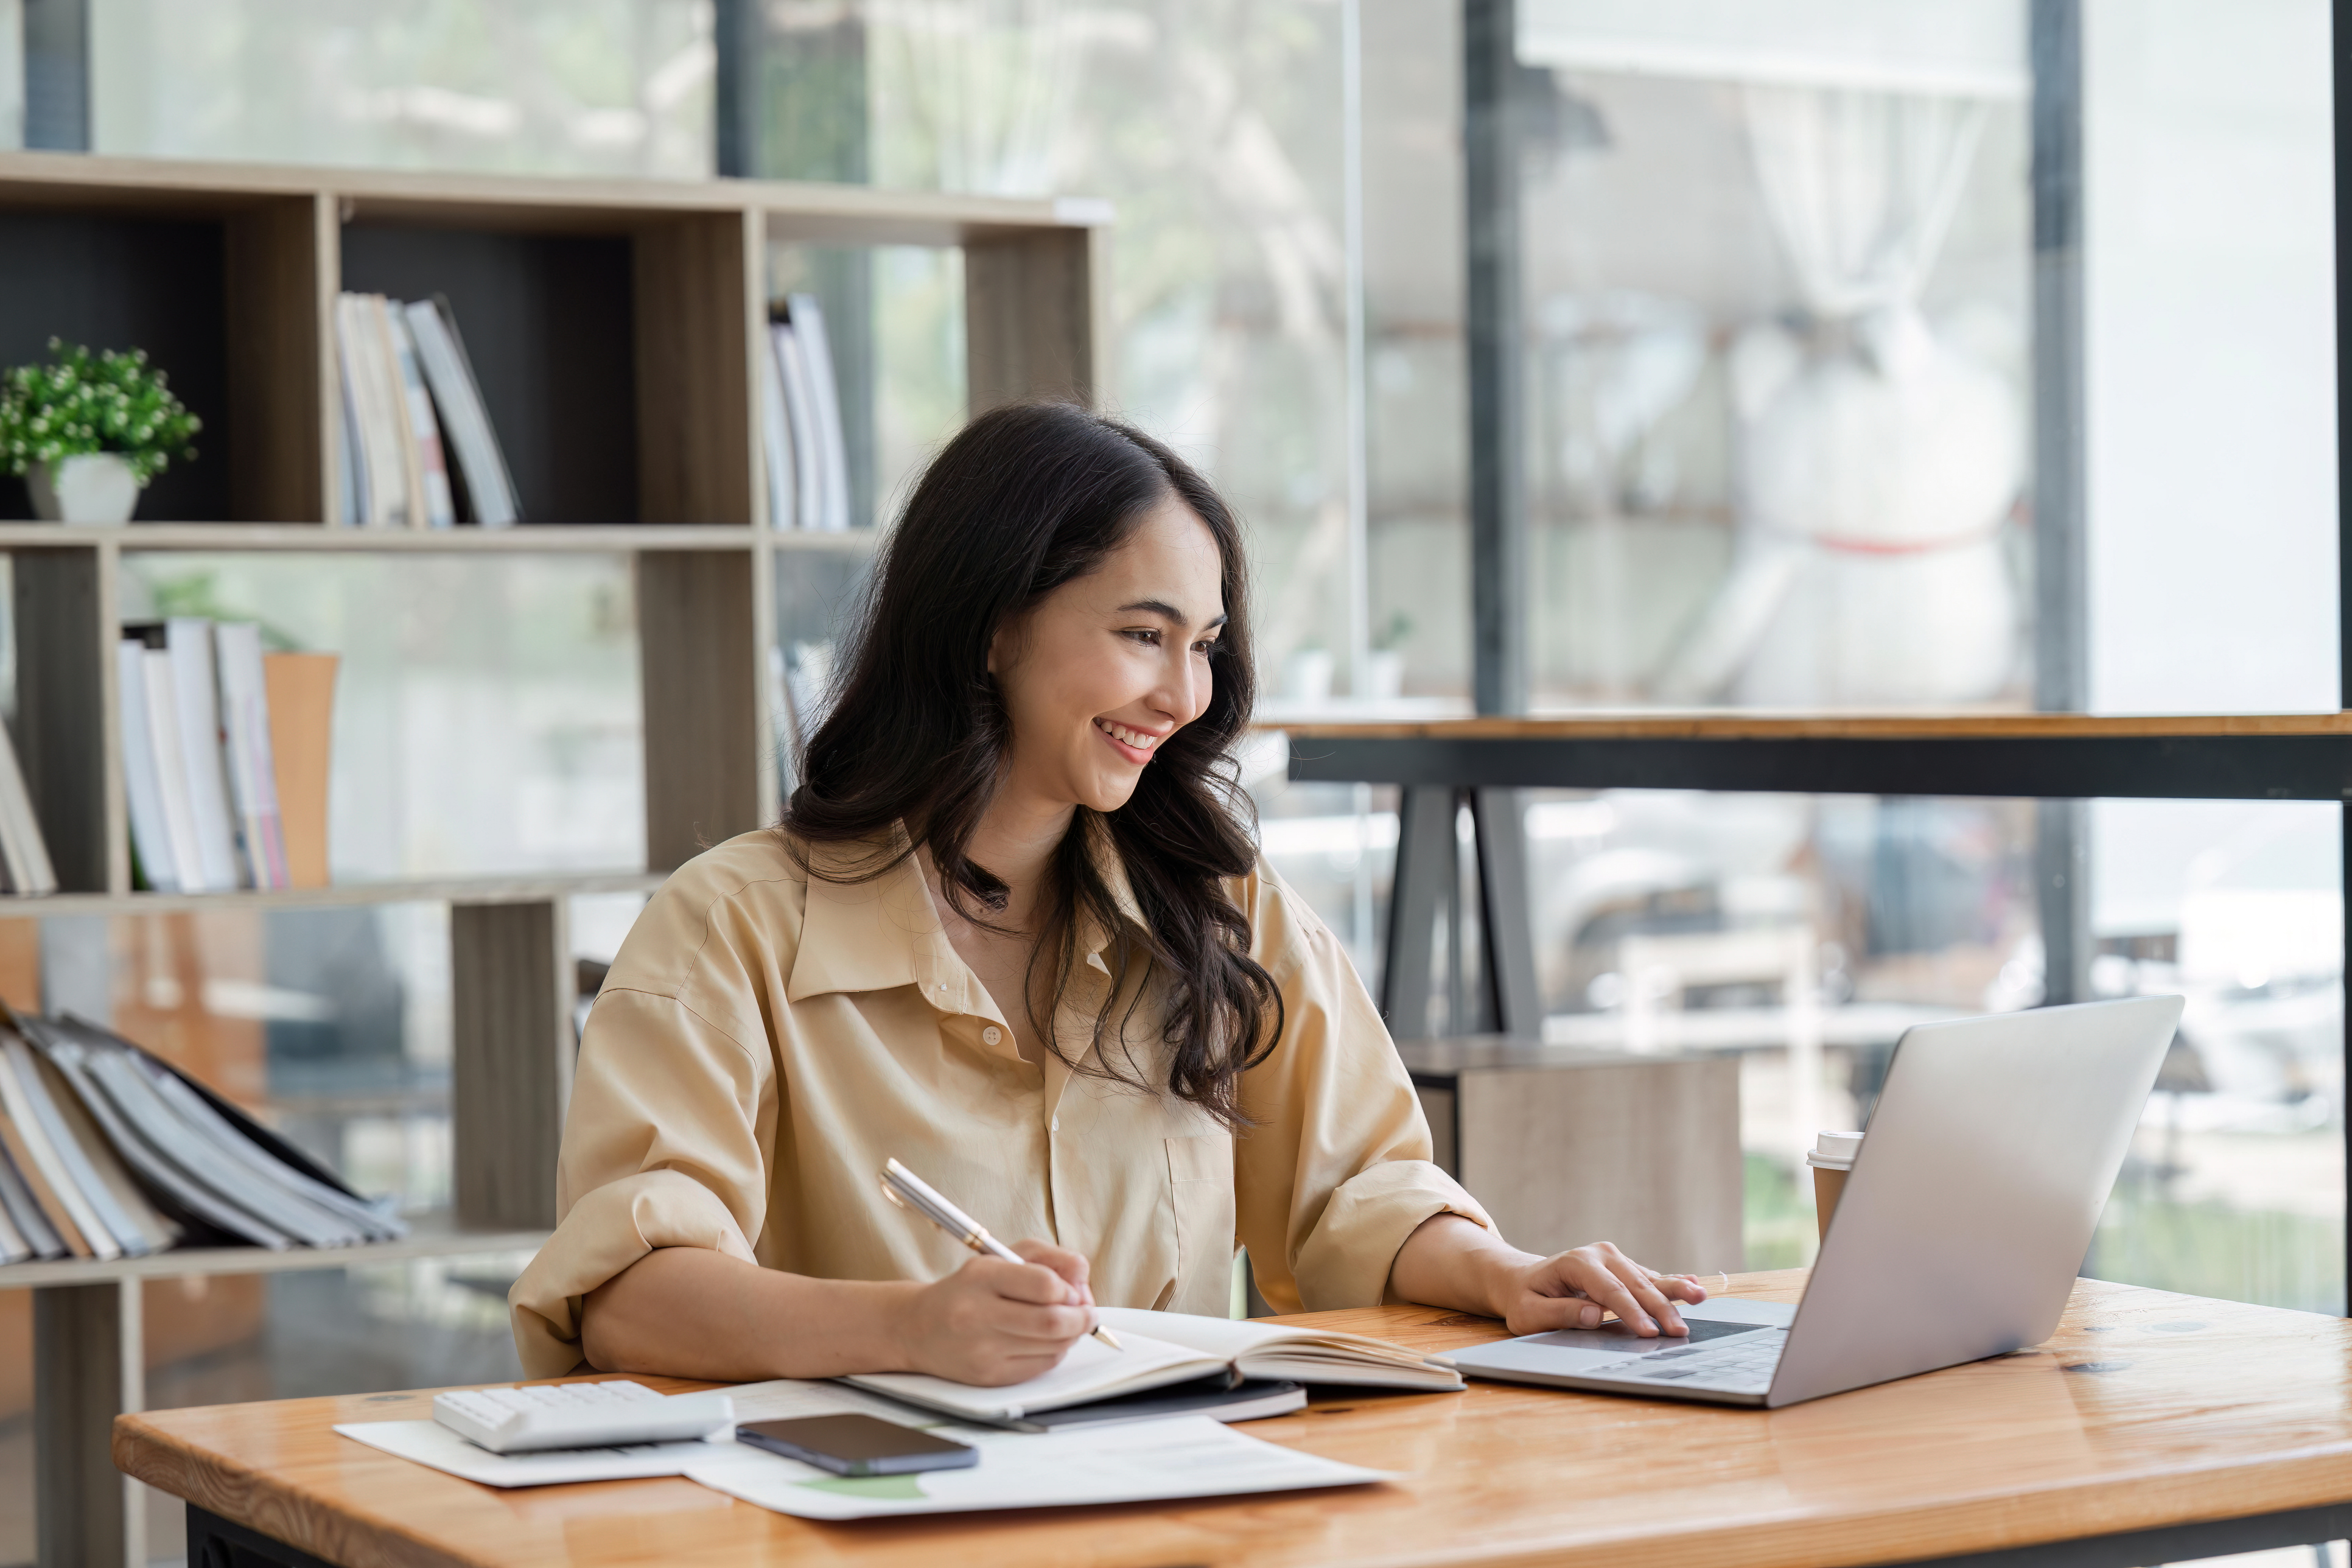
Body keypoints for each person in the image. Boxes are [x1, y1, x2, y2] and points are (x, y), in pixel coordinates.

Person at [510, 401, 1706, 1385]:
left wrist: (1507, 1273)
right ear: (992, 627)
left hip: (1172, 1498)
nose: (1185, 695)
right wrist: (913, 1329)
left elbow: (1355, 1191)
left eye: (1205, 645)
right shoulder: (731, 927)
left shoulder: (1219, 903)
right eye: (1144, 634)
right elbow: (627, 1292)